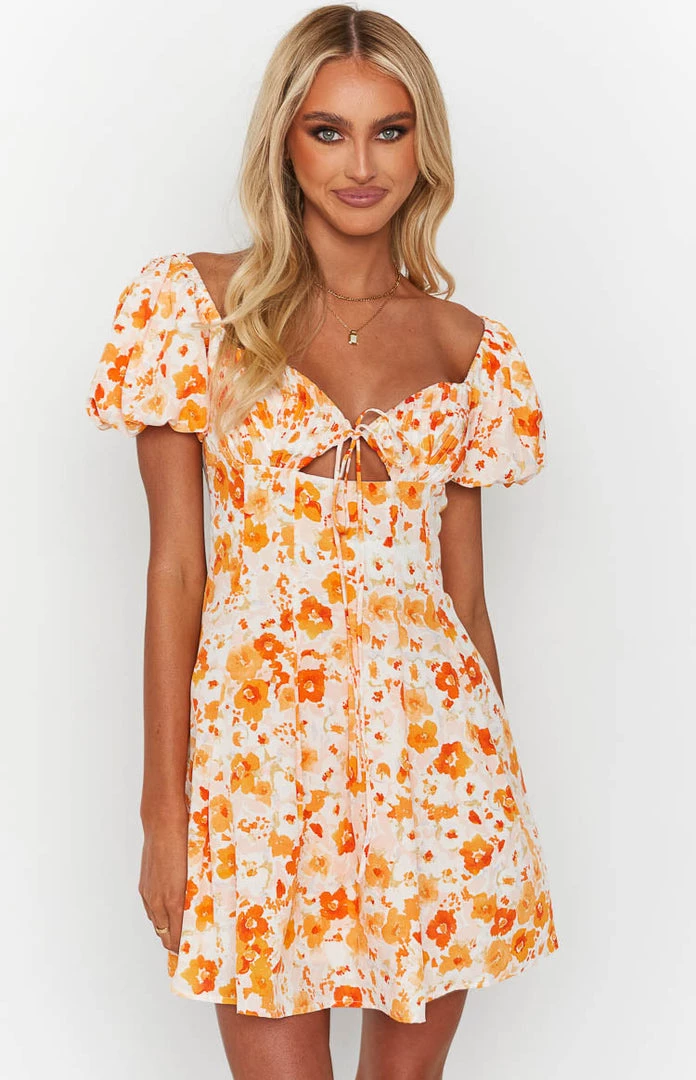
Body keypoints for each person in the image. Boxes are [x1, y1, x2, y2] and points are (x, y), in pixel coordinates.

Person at [84, 5, 559, 1077]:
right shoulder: (195, 308)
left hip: (438, 768)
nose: (361, 164)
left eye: (390, 130)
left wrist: (495, 814)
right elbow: (176, 569)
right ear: (284, 141)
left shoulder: (471, 352)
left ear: (423, 146)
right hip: (257, 763)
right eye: (328, 130)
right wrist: (165, 810)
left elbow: (467, 607)